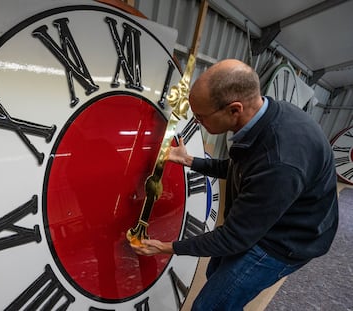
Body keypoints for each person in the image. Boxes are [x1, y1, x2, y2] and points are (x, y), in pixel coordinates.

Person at [131, 59, 339, 310]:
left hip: (284, 242)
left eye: (201, 116)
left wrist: (166, 247)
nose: (197, 122)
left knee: (209, 307)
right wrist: (188, 160)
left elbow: (234, 238)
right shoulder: (264, 120)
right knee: (216, 274)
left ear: (234, 110)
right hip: (267, 220)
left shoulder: (279, 161)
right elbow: (240, 168)